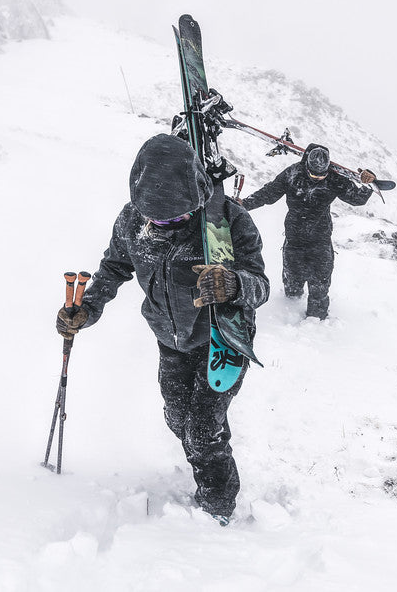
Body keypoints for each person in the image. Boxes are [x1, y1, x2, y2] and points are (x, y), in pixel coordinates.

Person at [56, 133, 269, 525]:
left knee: (203, 430)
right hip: (169, 338)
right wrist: (87, 308)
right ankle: (206, 452)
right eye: (157, 218)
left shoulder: (229, 221)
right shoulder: (130, 221)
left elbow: (260, 285)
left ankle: (218, 509)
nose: (166, 225)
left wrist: (234, 284)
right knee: (178, 418)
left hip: (222, 340)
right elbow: (115, 268)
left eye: (176, 218)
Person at [239, 143, 375, 320]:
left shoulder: (335, 179)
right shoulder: (293, 173)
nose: (317, 178)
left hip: (321, 240)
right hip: (294, 239)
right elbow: (269, 193)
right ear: (306, 166)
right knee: (292, 286)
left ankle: (317, 324)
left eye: (321, 175)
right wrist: (244, 204)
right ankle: (287, 316)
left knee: (320, 285)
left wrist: (368, 183)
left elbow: (357, 199)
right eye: (313, 174)